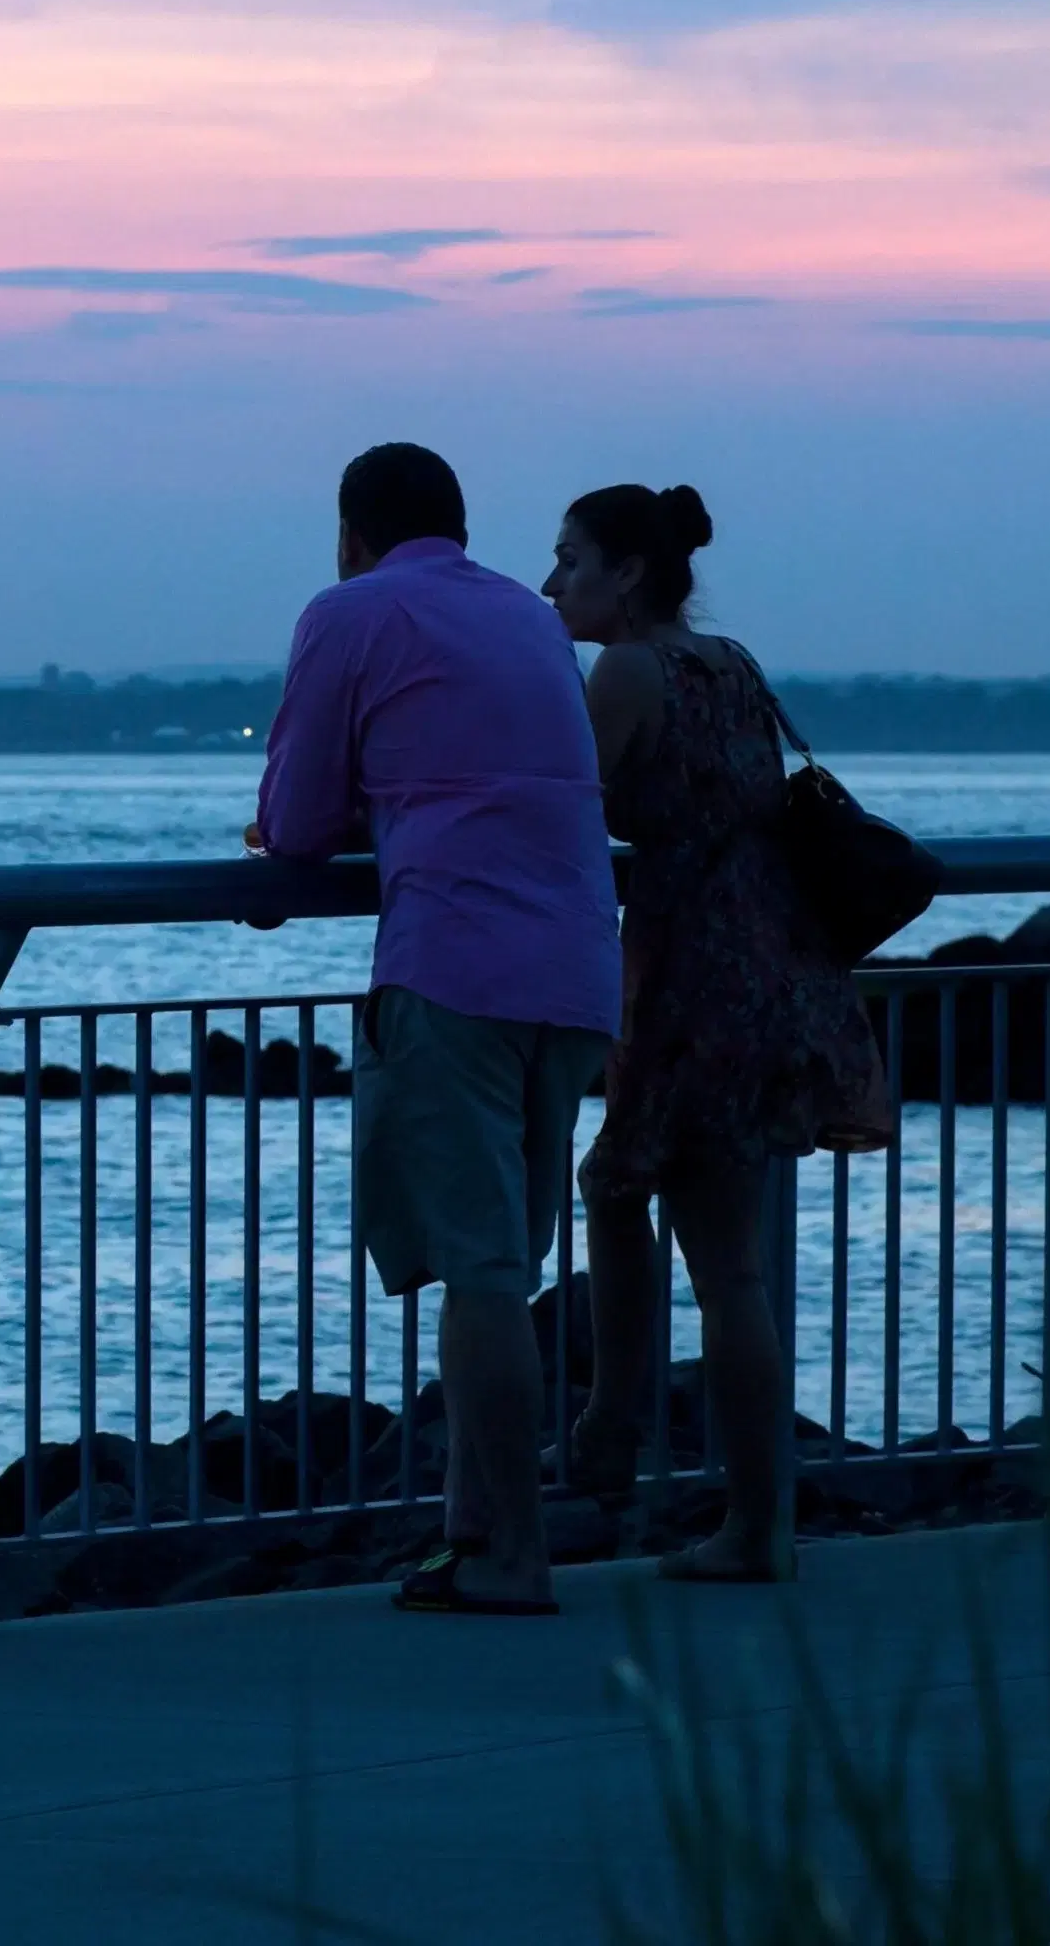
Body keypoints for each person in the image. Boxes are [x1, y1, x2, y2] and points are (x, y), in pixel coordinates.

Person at [255, 444, 620, 1614]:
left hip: (454, 961)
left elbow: (299, 819)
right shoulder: (528, 615)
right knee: (505, 1260)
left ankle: (512, 1555)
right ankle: (473, 1535)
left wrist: (315, 827)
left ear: (351, 531)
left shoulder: (351, 611)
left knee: (482, 1274)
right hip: (574, 964)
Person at [542, 482, 887, 1582]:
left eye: (571, 561)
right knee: (717, 1254)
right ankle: (722, 1495)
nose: (552, 585)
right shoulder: (728, 663)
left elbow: (560, 803)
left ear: (628, 573)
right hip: (773, 961)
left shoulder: (629, 671)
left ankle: (642, 1444)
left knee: (658, 1217)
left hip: (694, 968)